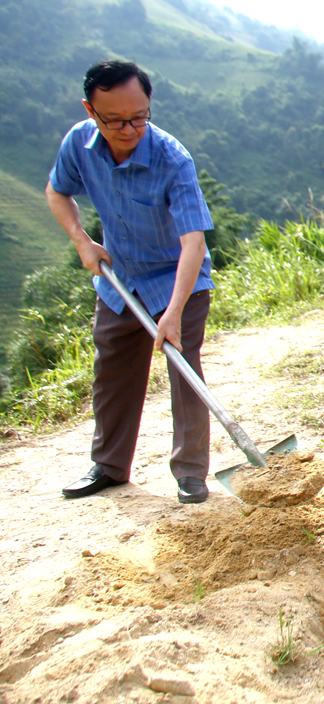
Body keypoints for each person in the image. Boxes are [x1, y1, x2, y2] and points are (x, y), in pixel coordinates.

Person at [48, 60, 215, 504]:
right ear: (90, 110)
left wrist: (174, 312)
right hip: (120, 277)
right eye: (115, 120)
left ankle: (191, 472)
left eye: (139, 116)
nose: (129, 129)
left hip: (178, 277)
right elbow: (56, 191)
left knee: (183, 367)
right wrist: (82, 241)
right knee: (112, 369)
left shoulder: (171, 157)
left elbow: (193, 242)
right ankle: (108, 465)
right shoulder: (78, 145)